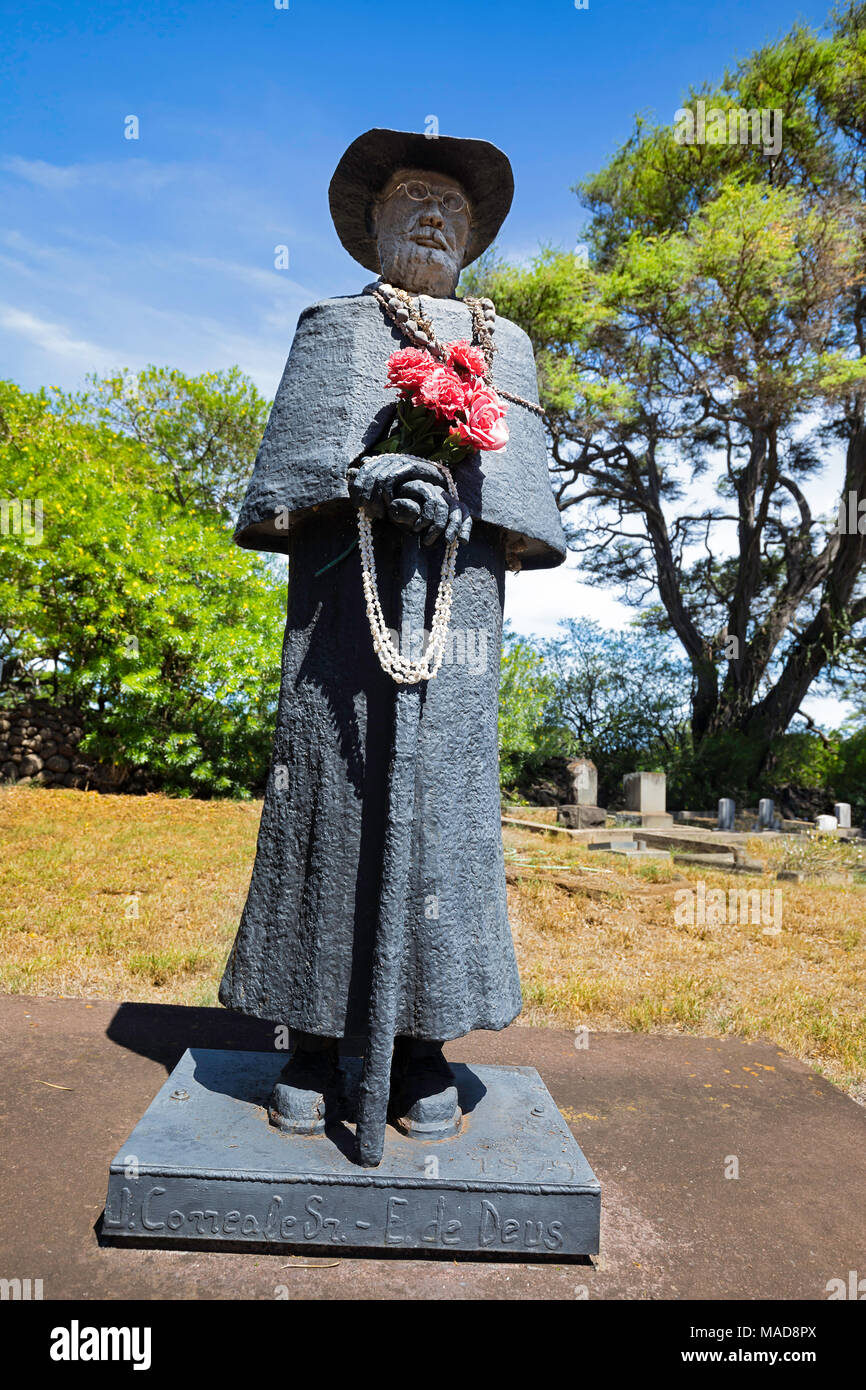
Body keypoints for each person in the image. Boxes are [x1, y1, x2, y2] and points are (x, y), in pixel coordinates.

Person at [219, 128, 566, 1147]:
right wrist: (362, 480)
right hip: (338, 624)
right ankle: (314, 1040)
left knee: (443, 820)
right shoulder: (332, 328)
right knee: (327, 803)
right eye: (411, 197)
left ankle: (423, 1043)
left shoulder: (508, 346)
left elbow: (529, 514)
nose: (431, 216)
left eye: (451, 207)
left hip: (455, 625)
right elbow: (276, 488)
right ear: (369, 219)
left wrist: (449, 499)